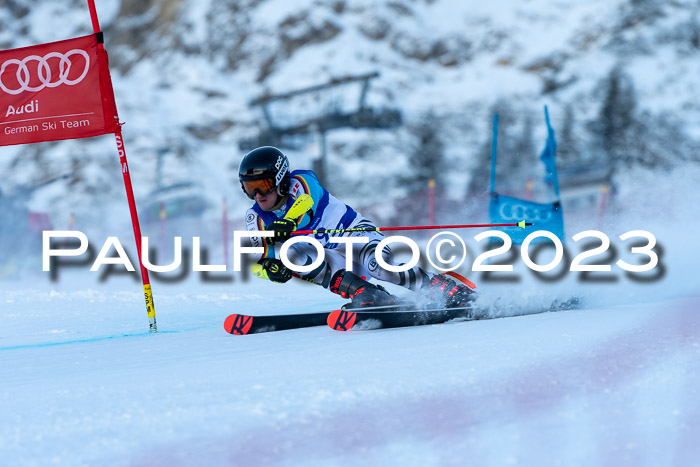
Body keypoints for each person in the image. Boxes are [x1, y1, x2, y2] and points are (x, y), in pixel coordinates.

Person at [239, 146, 474, 308]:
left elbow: (306, 202)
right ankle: (368, 294)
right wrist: (271, 270)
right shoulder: (255, 218)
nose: (258, 194)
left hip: (356, 235)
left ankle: (444, 289)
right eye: (250, 188)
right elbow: (257, 261)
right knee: (292, 256)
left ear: (281, 180)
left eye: (263, 185)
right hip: (334, 260)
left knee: (379, 267)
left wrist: (288, 222)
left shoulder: (301, 181)